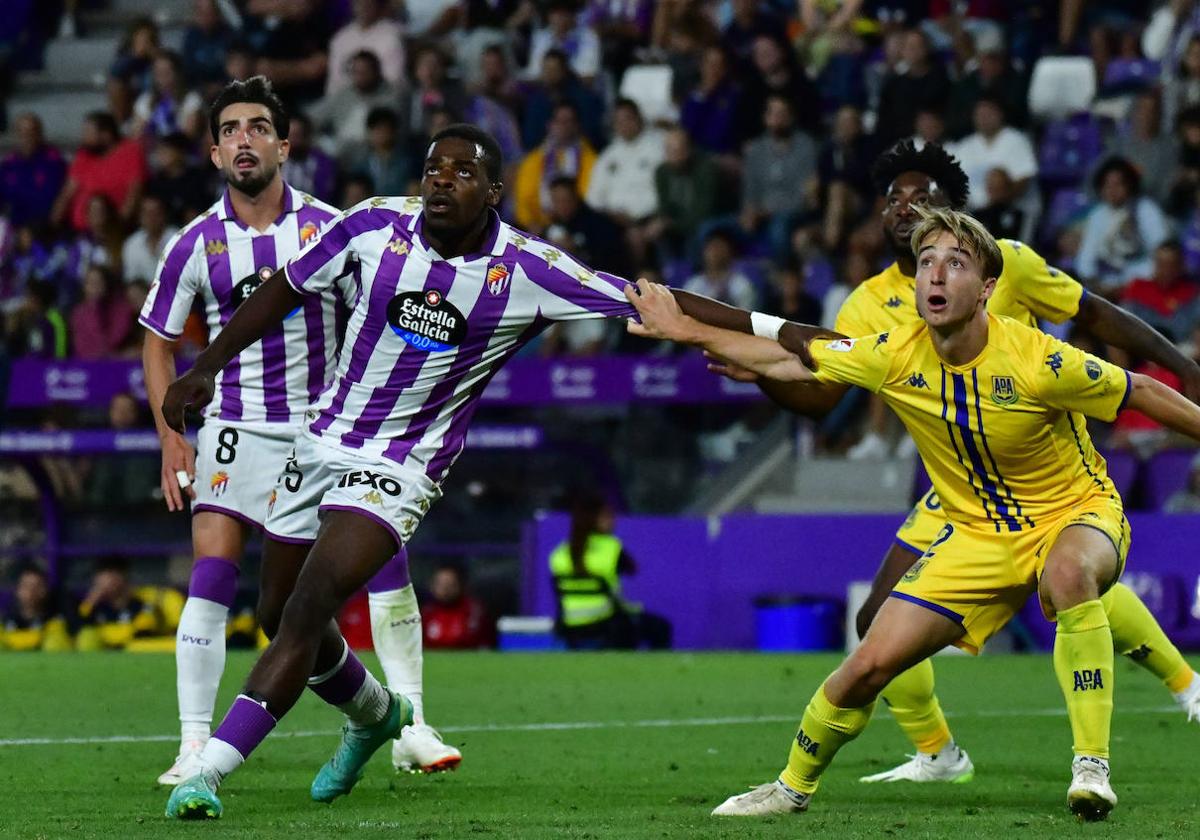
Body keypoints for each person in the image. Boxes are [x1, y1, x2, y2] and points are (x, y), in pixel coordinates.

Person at [157, 122, 737, 819]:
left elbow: (647, 298)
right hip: (319, 443)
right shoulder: (373, 223)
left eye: (463, 172)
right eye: (434, 167)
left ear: (494, 192)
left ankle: (210, 769)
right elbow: (285, 286)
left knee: (310, 604)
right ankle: (378, 716)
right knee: (277, 613)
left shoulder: (524, 268)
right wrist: (205, 367)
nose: (441, 179)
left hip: (402, 465)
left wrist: (773, 332)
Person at [625, 207, 1200, 821]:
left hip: (1074, 512)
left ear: (985, 289)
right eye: (927, 262)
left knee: (1067, 577)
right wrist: (686, 331)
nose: (936, 274)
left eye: (955, 263)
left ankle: (1092, 768)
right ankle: (790, 788)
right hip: (975, 535)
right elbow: (795, 358)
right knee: (868, 661)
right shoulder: (895, 353)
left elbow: (1141, 391)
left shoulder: (1039, 360)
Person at [140, 77, 458, 789]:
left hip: (325, 433)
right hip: (235, 427)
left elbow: (378, 311)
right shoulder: (194, 243)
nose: (243, 139)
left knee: (379, 563)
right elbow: (158, 342)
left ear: (284, 145)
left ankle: (414, 723)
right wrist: (171, 437)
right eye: (229, 129)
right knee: (216, 576)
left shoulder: (329, 228)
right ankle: (195, 742)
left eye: (258, 127)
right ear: (215, 151)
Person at [549, 491, 672, 650]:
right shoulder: (611, 547)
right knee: (661, 628)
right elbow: (631, 569)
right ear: (594, 520)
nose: (613, 520)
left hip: (570, 624)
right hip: (606, 621)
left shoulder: (558, 553)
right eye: (608, 516)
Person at [75, 556, 160, 651]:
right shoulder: (95, 608)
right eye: (101, 576)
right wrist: (91, 601)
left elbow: (144, 635)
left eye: (110, 575)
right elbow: (77, 627)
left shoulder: (141, 606)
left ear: (122, 576)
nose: (104, 583)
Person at [421, 564, 495, 649]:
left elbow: (482, 643)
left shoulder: (474, 611)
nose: (445, 589)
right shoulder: (426, 613)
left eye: (450, 584)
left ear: (460, 585)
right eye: (441, 584)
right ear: (432, 586)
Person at [1, 566, 72, 652]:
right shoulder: (5, 621)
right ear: (18, 590)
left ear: (45, 590)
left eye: (37, 586)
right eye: (26, 586)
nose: (31, 591)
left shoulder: (56, 622)